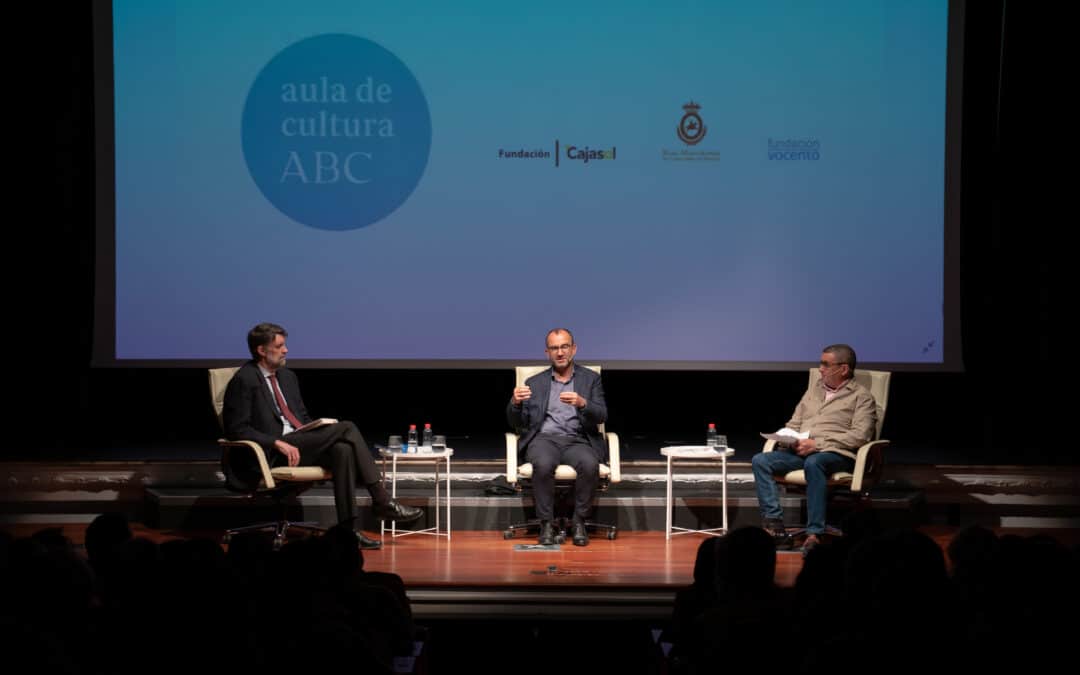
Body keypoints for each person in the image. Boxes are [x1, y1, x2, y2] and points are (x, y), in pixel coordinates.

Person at [222, 322, 422, 549]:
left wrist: (315, 428)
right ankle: (381, 498)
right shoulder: (244, 380)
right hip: (270, 453)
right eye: (280, 346)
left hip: (298, 443)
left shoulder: (287, 377)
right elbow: (237, 428)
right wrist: (276, 442)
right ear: (261, 350)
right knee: (347, 428)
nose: (286, 350)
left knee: (343, 450)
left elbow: (301, 418)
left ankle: (349, 533)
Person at [750, 343, 877, 555]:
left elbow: (859, 436)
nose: (820, 369)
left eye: (826, 364)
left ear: (844, 368)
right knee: (760, 460)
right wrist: (787, 437)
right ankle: (775, 526)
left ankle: (814, 534)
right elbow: (795, 422)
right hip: (800, 450)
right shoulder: (814, 390)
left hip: (835, 454)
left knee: (815, 461)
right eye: (821, 363)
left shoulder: (861, 397)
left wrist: (818, 444)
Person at [507, 328, 607, 546]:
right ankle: (546, 523)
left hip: (577, 439)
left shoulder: (591, 380)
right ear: (547, 352)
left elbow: (602, 415)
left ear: (573, 349)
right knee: (542, 464)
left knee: (590, 464)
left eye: (564, 347)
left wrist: (583, 403)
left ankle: (579, 521)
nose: (560, 352)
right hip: (545, 439)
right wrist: (514, 403)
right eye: (554, 348)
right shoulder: (535, 383)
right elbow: (517, 422)